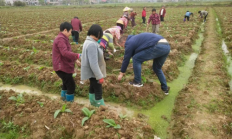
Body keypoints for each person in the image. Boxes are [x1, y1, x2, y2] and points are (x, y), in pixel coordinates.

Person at [52, 22, 81, 102]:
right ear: (65, 30)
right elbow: (64, 53)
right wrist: (77, 55)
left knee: (66, 83)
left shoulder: (63, 38)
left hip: (62, 65)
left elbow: (68, 51)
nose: (71, 33)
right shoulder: (60, 39)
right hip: (61, 66)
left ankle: (63, 100)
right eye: (70, 31)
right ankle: (69, 103)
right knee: (71, 85)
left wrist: (75, 60)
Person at [81, 24, 106, 107]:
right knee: (98, 91)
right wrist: (100, 76)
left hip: (91, 73)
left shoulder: (88, 41)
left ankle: (93, 104)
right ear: (98, 34)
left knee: (92, 87)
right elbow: (93, 63)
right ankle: (101, 108)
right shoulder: (92, 44)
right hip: (95, 73)